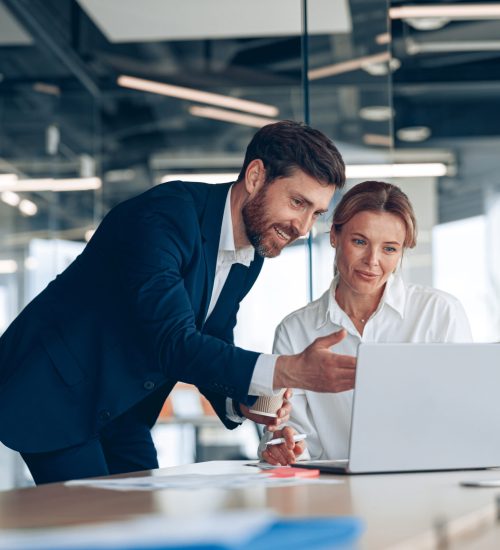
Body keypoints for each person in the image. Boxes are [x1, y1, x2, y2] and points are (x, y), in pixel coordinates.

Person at [0, 120, 357, 485]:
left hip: (121, 408)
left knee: (142, 521)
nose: (302, 227)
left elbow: (214, 334)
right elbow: (173, 341)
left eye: (316, 213)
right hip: (56, 389)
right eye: (298, 202)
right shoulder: (165, 216)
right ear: (255, 177)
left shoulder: (252, 249)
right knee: (93, 529)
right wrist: (288, 369)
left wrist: (243, 401)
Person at [260, 180, 473, 465]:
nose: (372, 261)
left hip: (427, 486)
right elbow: (288, 431)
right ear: (335, 235)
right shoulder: (296, 331)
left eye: (389, 249)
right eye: (359, 242)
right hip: (335, 495)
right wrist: (283, 445)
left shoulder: (440, 313)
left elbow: (465, 416)